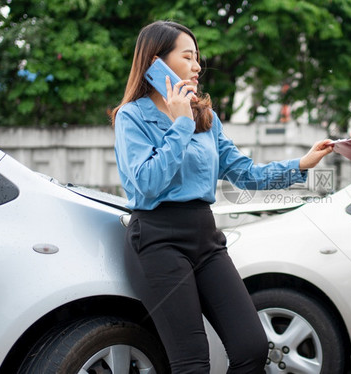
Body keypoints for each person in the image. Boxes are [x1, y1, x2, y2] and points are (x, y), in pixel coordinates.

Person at [111, 20, 332, 374]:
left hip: (205, 239)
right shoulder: (132, 117)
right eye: (188, 56)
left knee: (252, 347)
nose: (198, 66)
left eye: (198, 57)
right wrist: (180, 125)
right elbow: (146, 183)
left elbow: (245, 173)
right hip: (157, 240)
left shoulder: (206, 117)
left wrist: (301, 164)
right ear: (156, 62)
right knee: (192, 362)